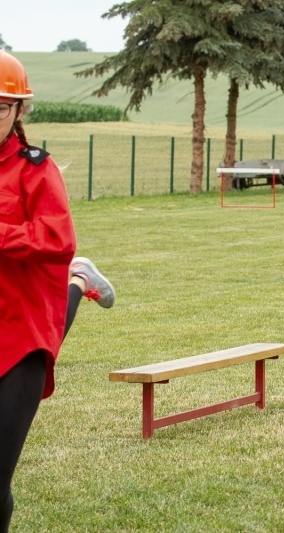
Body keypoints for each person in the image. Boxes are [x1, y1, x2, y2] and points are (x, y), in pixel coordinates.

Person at [0, 51, 117, 533]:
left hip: (20, 335)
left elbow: (57, 238)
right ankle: (79, 280)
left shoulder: (35, 169)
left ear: (18, 112)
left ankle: (76, 278)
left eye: (1, 107)